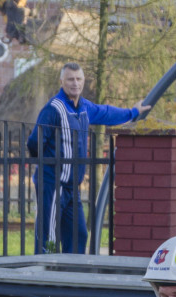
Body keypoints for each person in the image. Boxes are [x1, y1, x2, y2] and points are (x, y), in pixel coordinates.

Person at [27, 63, 150, 255]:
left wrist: (133, 112)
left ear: (83, 81)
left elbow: (106, 113)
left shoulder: (84, 107)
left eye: (78, 79)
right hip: (52, 184)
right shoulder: (53, 109)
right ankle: (43, 269)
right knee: (49, 236)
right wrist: (49, 167)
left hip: (72, 187)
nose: (75, 83)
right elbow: (34, 141)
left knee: (79, 234)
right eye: (70, 79)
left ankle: (69, 274)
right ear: (62, 82)